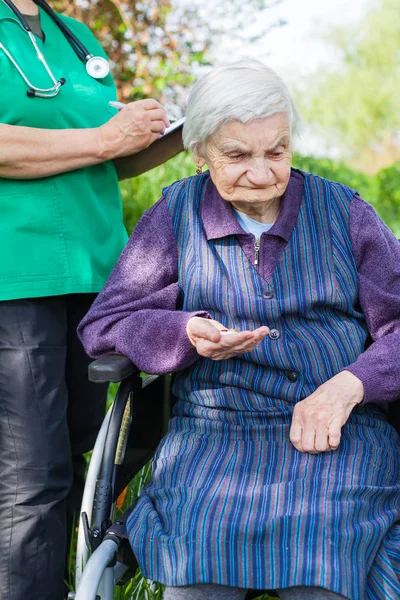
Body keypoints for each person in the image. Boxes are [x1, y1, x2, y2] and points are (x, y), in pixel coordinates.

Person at [78, 60, 400, 600]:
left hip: (336, 431)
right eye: (236, 155)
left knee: (324, 563)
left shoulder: (344, 212)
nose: (261, 171)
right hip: (215, 435)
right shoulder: (176, 214)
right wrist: (184, 332)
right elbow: (107, 323)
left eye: (276, 150)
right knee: (199, 569)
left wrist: (350, 387)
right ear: (200, 151)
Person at [0, 1, 176, 599]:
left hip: (95, 276)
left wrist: (183, 131)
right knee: (30, 475)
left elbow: (104, 158)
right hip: (16, 277)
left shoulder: (74, 36)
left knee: (80, 458)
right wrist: (102, 137)